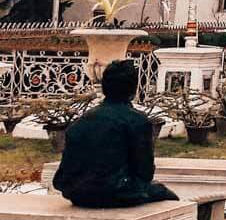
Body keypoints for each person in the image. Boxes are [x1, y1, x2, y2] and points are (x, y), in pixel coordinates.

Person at [52, 60, 179, 209]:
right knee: (167, 195)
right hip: (114, 193)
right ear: (133, 90)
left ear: (105, 87)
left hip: (76, 193)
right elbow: (145, 173)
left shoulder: (81, 121)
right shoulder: (137, 121)